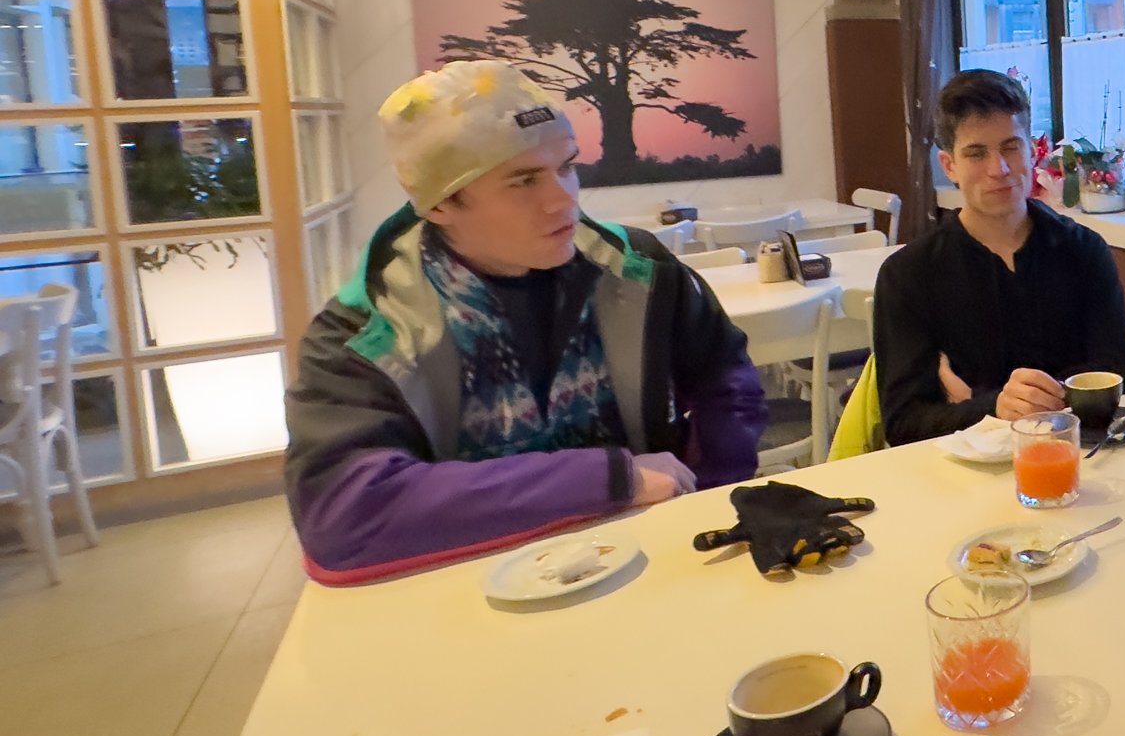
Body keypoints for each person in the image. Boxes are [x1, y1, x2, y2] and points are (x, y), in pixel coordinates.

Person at [284, 62, 765, 583]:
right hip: (466, 594)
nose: (564, 199)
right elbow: (344, 514)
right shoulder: (366, 332)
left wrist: (710, 494)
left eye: (567, 167)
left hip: (654, 566)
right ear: (441, 204)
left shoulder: (638, 269)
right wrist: (612, 478)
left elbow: (726, 381)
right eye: (523, 181)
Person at [873, 68, 1125, 446]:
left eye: (1011, 147)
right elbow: (903, 422)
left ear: (1031, 152)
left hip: (1080, 456)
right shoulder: (908, 274)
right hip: (961, 470)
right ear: (950, 166)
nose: (997, 169)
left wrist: (1016, 401)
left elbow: (1122, 374)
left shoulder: (1084, 251)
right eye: (976, 153)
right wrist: (992, 406)